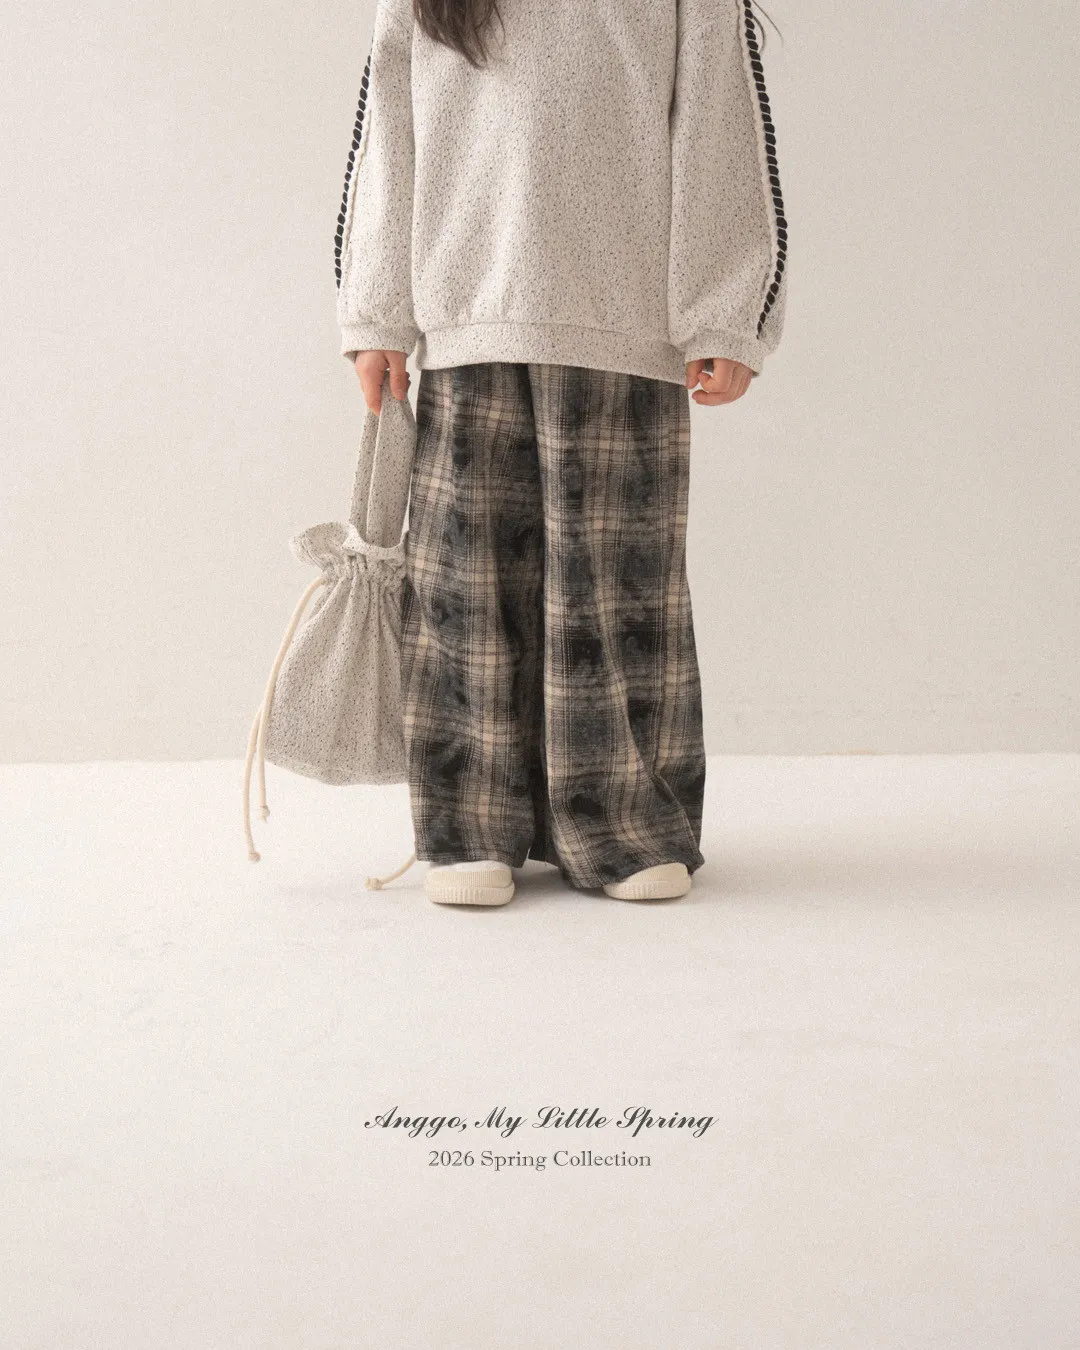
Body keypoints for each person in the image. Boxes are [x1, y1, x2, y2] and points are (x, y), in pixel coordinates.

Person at [334, 0, 788, 907]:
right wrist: (376, 309)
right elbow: (389, 123)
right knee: (464, 591)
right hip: (466, 314)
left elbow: (720, 124)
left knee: (615, 591)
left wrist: (725, 313)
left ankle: (623, 824)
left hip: (626, 324)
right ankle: (469, 826)